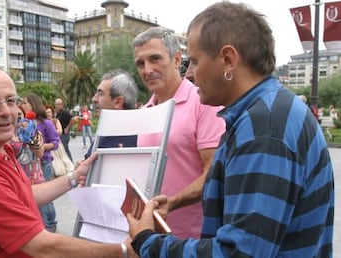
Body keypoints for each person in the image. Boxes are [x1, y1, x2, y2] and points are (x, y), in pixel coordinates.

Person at [127, 2, 334, 257]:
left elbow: (239, 252)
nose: (190, 73)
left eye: (194, 61)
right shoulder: (263, 113)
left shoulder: (264, 129)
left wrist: (148, 242)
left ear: (228, 59)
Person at [0, 65, 137, 257]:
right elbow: (43, 247)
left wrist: (75, 177)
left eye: (11, 100)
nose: (7, 111)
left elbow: (23, 196)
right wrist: (123, 251)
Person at [132, 26, 225, 238]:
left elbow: (214, 172)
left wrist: (172, 203)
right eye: (140, 63)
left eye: (155, 59)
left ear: (176, 59)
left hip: (193, 239)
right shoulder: (144, 112)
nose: (147, 70)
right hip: (149, 236)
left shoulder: (203, 103)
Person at [22, 93, 59, 233]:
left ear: (33, 104)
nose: (23, 105)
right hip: (29, 163)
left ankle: (50, 224)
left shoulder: (46, 123)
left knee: (46, 196)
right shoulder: (24, 123)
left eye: (26, 102)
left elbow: (55, 143)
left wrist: (41, 146)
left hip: (44, 162)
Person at [84, 69, 138, 159]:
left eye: (100, 94)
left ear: (118, 101)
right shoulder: (105, 132)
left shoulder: (136, 140)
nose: (94, 99)